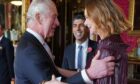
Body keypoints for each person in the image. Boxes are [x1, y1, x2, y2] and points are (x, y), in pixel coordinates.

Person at [14, 0, 115, 84]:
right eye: (54, 17)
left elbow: (57, 74)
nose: (58, 23)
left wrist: (88, 72)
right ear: (39, 18)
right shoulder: (29, 49)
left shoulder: (35, 43)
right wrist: (90, 73)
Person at [84, 0, 130, 84]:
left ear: (99, 16)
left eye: (87, 17)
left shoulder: (107, 49)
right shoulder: (112, 43)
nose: (85, 23)